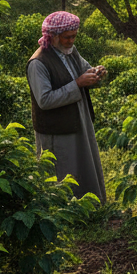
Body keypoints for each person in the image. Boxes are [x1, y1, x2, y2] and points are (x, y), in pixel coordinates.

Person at [26, 11, 107, 201]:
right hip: (56, 128)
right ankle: (64, 211)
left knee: (83, 162)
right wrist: (77, 83)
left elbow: (83, 69)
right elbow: (44, 100)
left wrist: (96, 73)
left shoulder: (69, 51)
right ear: (53, 37)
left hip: (78, 119)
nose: (71, 41)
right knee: (63, 169)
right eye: (67, 37)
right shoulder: (38, 63)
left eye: (74, 36)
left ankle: (89, 205)